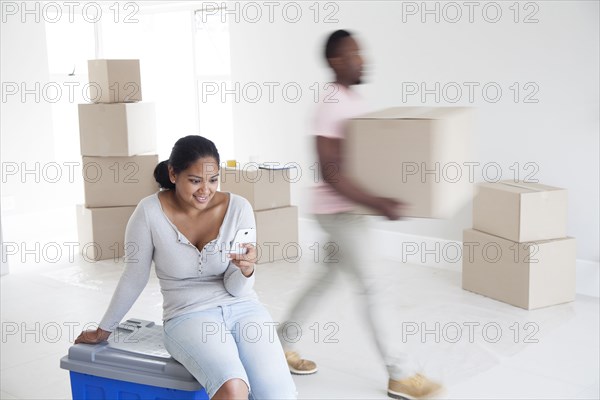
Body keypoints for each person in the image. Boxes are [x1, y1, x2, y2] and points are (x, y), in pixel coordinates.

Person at [277, 30, 443, 399]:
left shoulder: (353, 99)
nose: (362, 59)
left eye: (361, 53)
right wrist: (378, 202)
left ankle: (276, 345)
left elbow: (365, 161)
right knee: (375, 286)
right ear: (336, 61)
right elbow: (330, 172)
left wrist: (382, 194)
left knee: (323, 281)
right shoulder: (331, 104)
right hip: (339, 212)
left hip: (348, 208)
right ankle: (400, 374)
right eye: (354, 54)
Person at [75, 135, 297, 400]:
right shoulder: (148, 213)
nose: (205, 190)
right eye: (195, 180)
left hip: (244, 308)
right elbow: (134, 277)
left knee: (278, 395)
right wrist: (104, 329)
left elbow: (236, 289)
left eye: (213, 179)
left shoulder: (239, 208)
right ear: (172, 173)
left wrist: (246, 270)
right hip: (187, 314)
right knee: (233, 388)